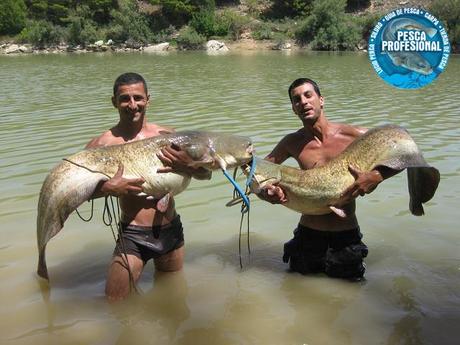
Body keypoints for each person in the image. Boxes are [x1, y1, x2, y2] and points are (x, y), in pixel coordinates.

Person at [258, 78, 398, 280]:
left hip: (345, 238)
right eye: (296, 99)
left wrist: (377, 176)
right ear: (293, 109)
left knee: (350, 302)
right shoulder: (292, 143)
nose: (303, 102)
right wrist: (267, 193)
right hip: (307, 236)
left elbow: (402, 152)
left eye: (308, 95)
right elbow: (259, 173)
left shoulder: (354, 135)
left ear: (321, 100)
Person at [86, 72, 209, 301]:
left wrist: (189, 165)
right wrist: (106, 190)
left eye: (138, 98)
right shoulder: (102, 144)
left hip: (170, 230)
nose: (132, 105)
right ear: (114, 102)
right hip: (133, 235)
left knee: (174, 299)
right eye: (125, 99)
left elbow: (205, 175)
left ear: (148, 99)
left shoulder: (168, 135)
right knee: (115, 302)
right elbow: (78, 192)